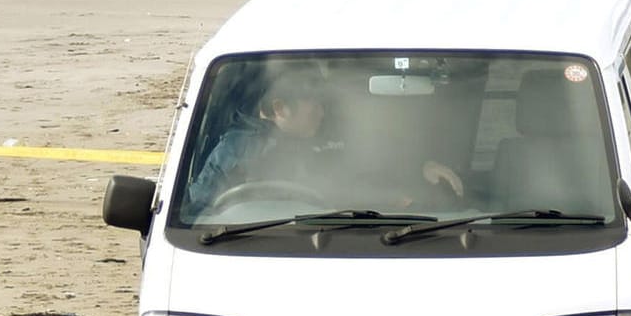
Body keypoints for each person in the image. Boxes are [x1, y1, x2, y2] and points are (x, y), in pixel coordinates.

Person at [187, 76, 464, 212]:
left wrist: (421, 167)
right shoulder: (233, 151)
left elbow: (368, 155)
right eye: (313, 107)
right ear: (281, 109)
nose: (321, 113)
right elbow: (199, 209)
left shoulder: (316, 135)